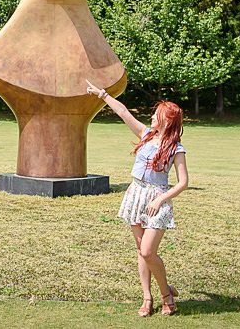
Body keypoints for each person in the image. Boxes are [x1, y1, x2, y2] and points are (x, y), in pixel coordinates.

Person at [86, 80, 189, 317]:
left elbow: (183, 182)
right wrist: (102, 94)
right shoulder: (145, 135)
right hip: (136, 194)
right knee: (140, 250)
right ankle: (147, 297)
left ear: (167, 120)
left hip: (157, 199)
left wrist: (161, 199)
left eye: (156, 115)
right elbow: (123, 111)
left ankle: (166, 294)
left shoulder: (176, 148)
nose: (152, 118)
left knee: (147, 251)